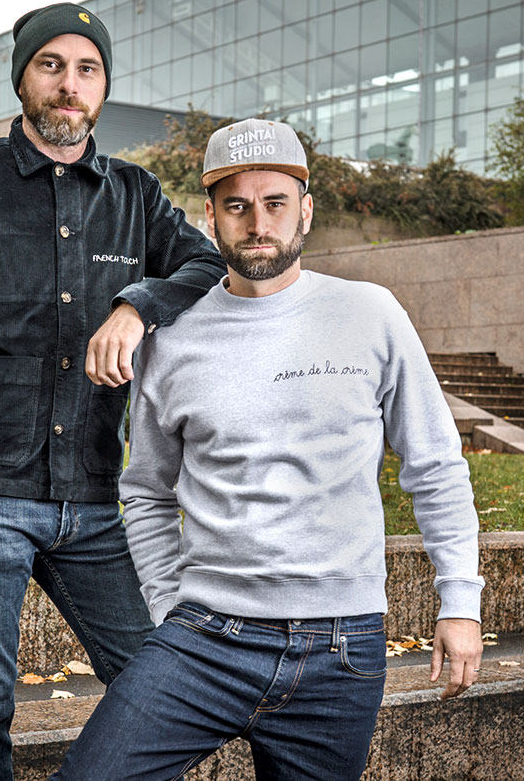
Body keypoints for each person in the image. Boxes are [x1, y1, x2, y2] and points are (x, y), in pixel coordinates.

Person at [50, 118, 485, 781]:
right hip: (202, 641)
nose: (258, 221)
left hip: (342, 649)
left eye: (275, 202)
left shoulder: (371, 313)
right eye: (238, 205)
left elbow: (435, 466)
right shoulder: (172, 339)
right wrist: (168, 605)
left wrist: (459, 602)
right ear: (212, 217)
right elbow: (146, 489)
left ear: (305, 211)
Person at [0, 2, 225, 781]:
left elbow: (207, 264)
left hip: (96, 499)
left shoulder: (135, 196)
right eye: (52, 66)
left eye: (87, 69)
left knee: (153, 682)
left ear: (103, 86)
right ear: (23, 79)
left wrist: (137, 305)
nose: (70, 86)